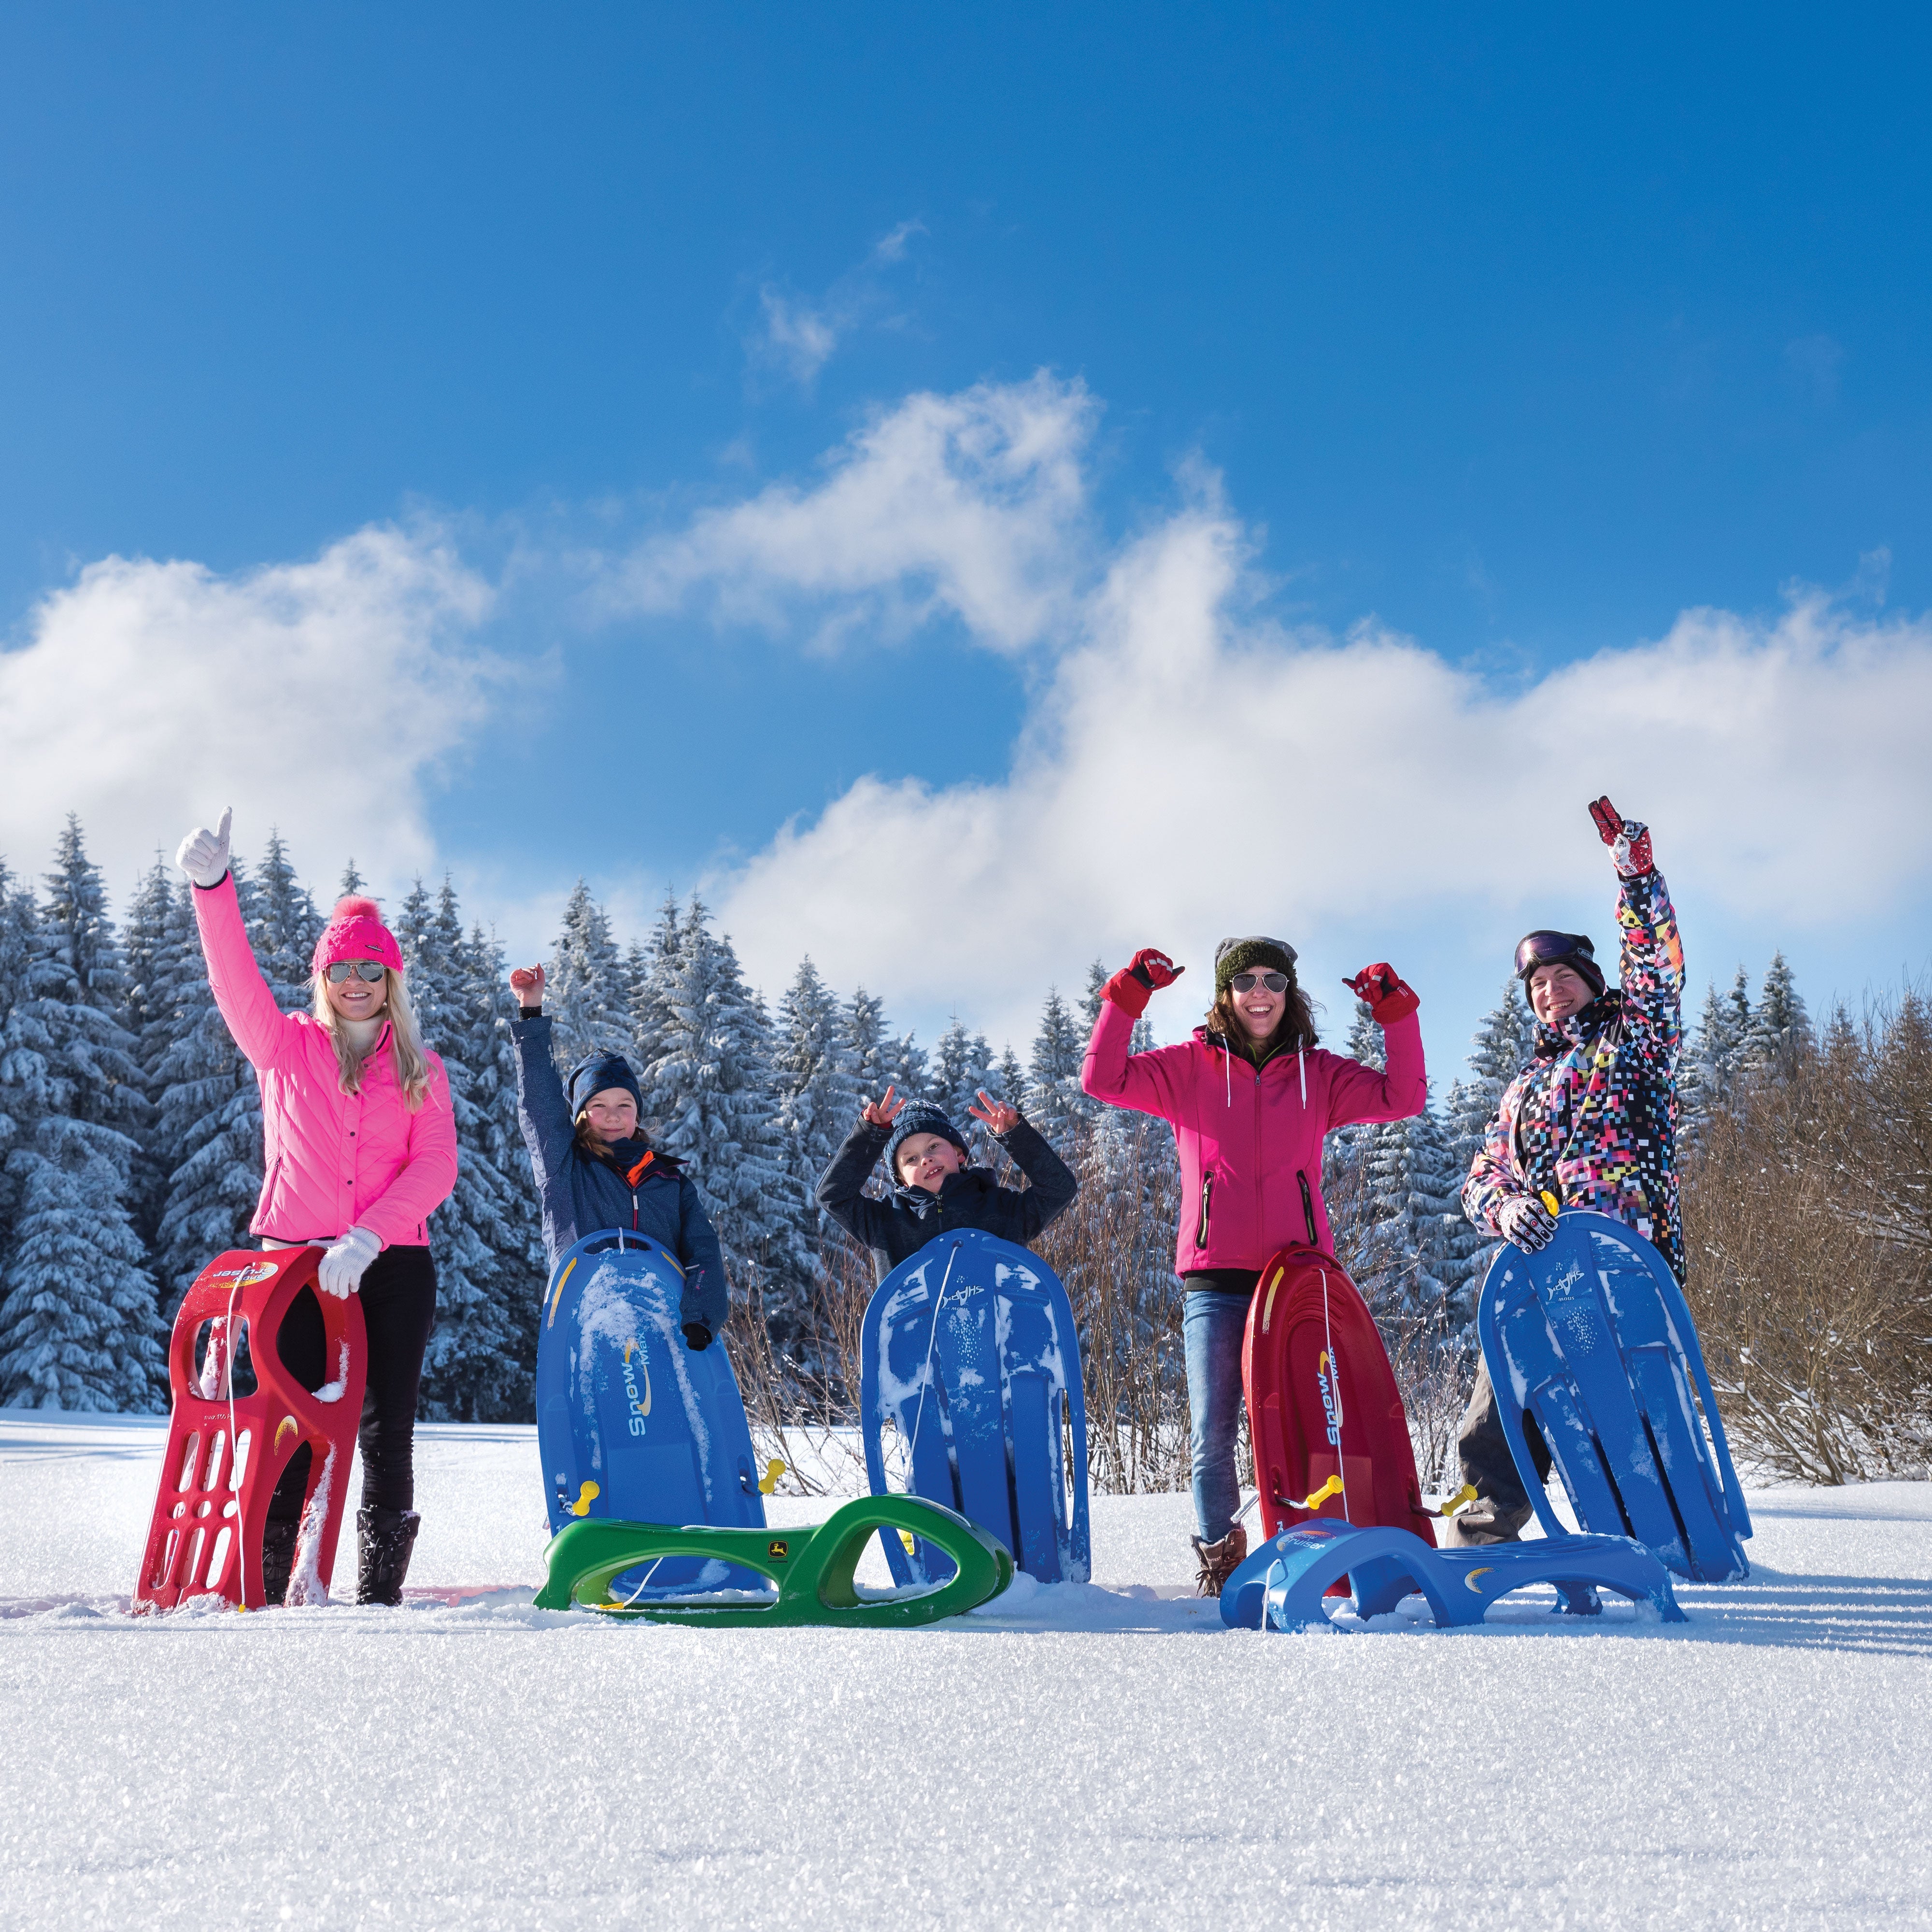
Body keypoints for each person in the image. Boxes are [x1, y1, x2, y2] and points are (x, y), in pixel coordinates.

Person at [174, 809, 458, 1607]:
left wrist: (369, 1234)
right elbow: (232, 976)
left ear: (391, 981)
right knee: (290, 1424)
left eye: (373, 969)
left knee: (384, 1427)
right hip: (294, 1266)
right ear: (324, 980)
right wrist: (211, 887)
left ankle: (378, 1595)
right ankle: (266, 1584)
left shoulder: (421, 1069)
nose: (358, 982)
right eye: (343, 970)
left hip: (394, 1264)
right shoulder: (284, 1046)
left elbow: (437, 1166)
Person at [1082, 938, 1426, 1594]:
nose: (1260, 992)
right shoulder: (1187, 1069)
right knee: (1213, 1434)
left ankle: (1323, 1549)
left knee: (1319, 1426)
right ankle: (1222, 1557)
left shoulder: (1318, 1075)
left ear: (1289, 992)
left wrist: (1396, 1016)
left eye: (1273, 980)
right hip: (1216, 1281)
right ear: (1225, 995)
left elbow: (1403, 1097)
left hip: (1300, 1282)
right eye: (1246, 982)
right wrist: (1128, 996)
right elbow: (1102, 1080)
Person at [1448, 796, 1685, 1546]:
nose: (1550, 991)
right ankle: (1485, 1528)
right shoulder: (1522, 1088)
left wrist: (1637, 882)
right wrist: (1503, 1210)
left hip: (1624, 1265)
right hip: (1542, 1270)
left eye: (1562, 976)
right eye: (1536, 985)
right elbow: (1482, 1175)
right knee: (1500, 1403)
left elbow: (1655, 968)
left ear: (1589, 977)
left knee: (1628, 1411)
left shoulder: (1635, 1041)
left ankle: (1668, 1532)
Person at [507, 963, 727, 1347]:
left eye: (625, 1104)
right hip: (589, 1319)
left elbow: (702, 1251)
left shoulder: (669, 1181)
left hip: (666, 1326)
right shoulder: (565, 1167)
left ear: (638, 1114)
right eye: (599, 1105)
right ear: (579, 1116)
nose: (612, 1114)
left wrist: (701, 1316)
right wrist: (531, 1012)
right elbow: (540, 1102)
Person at [815, 1087, 1077, 1282]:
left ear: (959, 1153)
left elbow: (1058, 1189)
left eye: (933, 1147)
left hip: (1000, 1341)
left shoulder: (1001, 1208)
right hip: (918, 1347)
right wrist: (869, 1138)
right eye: (911, 1159)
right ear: (899, 1177)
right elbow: (833, 1196)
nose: (926, 1159)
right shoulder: (884, 1220)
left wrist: (1016, 1136)